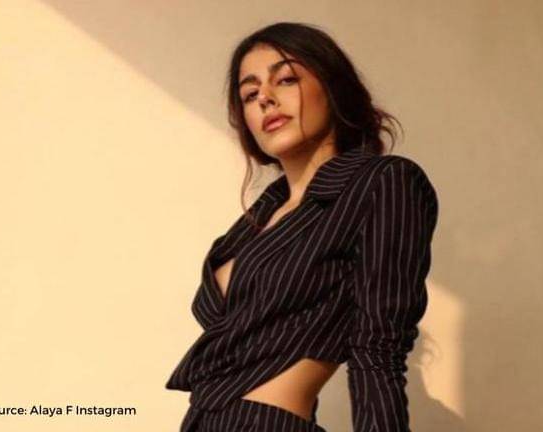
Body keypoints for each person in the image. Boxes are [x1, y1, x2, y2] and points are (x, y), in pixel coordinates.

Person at [165, 22, 439, 432]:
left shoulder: (381, 182)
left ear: (332, 87)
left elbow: (378, 348)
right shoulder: (259, 219)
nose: (265, 99)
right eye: (250, 94)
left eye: (286, 79)